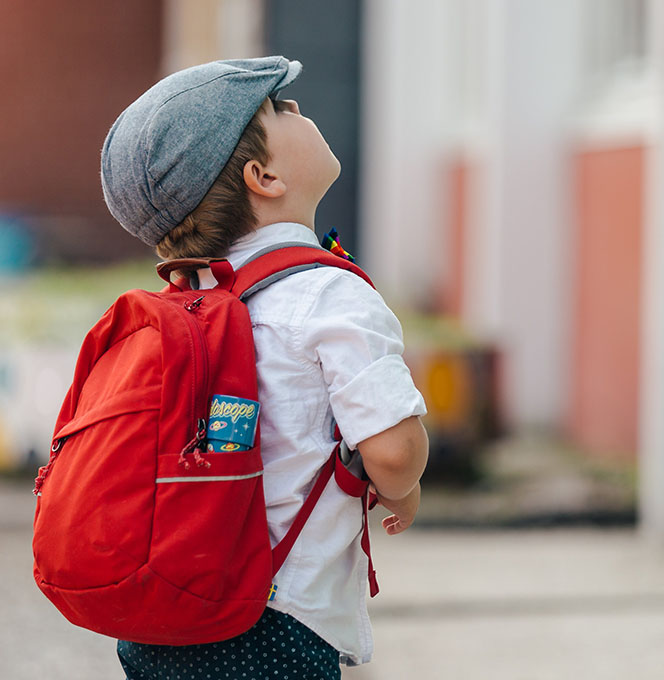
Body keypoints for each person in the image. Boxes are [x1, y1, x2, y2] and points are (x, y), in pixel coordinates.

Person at [99, 56, 429, 679]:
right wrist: (404, 488)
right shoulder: (331, 295)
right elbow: (393, 451)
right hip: (272, 619)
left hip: (157, 612)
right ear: (264, 176)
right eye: (279, 108)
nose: (298, 107)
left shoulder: (183, 308)